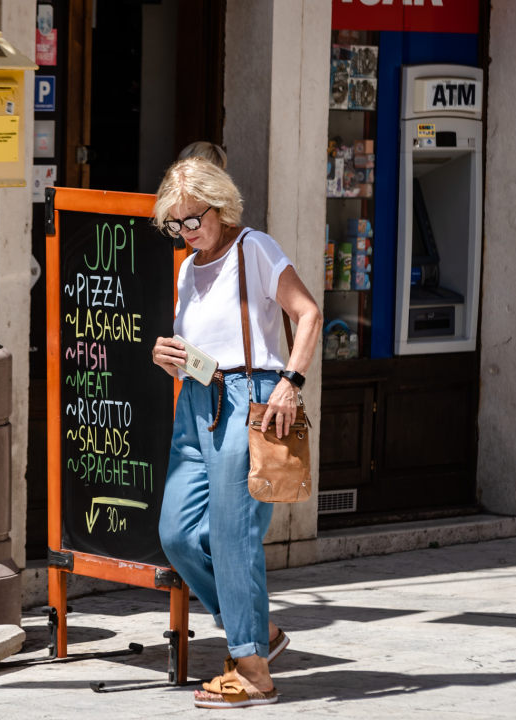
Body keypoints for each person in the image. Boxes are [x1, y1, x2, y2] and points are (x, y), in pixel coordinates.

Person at [151, 158, 321, 708]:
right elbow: (198, 350)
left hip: (252, 398)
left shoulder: (256, 249)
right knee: (177, 533)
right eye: (175, 225)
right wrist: (168, 356)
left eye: (193, 220)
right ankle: (258, 632)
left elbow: (309, 313)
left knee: (232, 535)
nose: (186, 232)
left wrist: (290, 383)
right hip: (196, 400)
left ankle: (253, 672)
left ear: (219, 207)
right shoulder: (186, 270)